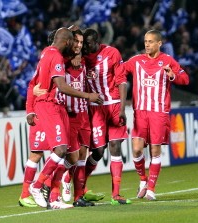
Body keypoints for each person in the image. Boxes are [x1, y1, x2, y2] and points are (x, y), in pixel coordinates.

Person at [27, 27, 103, 209]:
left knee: (68, 153)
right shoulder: (57, 57)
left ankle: (54, 198)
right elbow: (60, 86)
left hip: (61, 108)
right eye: (74, 42)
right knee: (61, 150)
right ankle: (37, 186)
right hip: (51, 105)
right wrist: (88, 96)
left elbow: (35, 81)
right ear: (68, 42)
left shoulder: (46, 52)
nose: (77, 46)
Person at [122, 29, 189, 200]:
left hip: (159, 112)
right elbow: (119, 71)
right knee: (136, 149)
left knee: (154, 149)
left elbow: (185, 79)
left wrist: (173, 75)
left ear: (159, 43)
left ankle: (151, 188)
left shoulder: (167, 60)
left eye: (151, 41)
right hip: (140, 112)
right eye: (145, 41)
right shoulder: (136, 61)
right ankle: (143, 180)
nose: (147, 44)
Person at [81, 28, 131, 205]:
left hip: (114, 104)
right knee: (98, 151)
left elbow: (122, 81)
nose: (85, 47)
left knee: (115, 147)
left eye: (88, 44)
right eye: (84, 44)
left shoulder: (111, 52)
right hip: (95, 109)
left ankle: (116, 194)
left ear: (97, 42)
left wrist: (123, 108)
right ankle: (81, 189)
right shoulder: (81, 57)